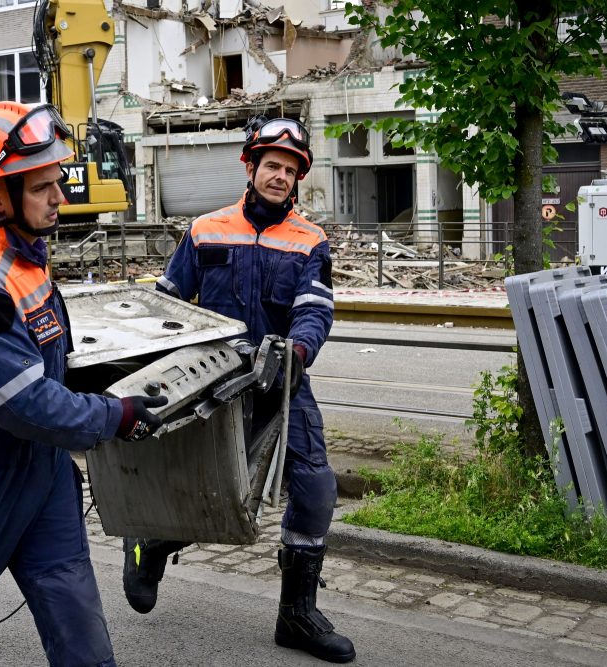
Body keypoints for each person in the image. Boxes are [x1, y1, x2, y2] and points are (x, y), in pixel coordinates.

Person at [0, 101, 167, 667]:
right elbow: (22, 402)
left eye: (58, 181)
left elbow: (44, 361)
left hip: (42, 473)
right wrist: (113, 415)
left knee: (81, 635)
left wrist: (117, 376)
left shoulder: (23, 254)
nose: (60, 198)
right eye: (44, 187)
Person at [126, 116, 355, 663]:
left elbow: (314, 311)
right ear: (250, 168)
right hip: (214, 381)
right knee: (210, 490)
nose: (280, 177)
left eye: (291, 170)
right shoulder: (206, 230)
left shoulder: (310, 241)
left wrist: (296, 353)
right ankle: (152, 544)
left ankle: (296, 616)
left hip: (281, 382)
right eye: (272, 166)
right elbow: (168, 303)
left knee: (316, 486)